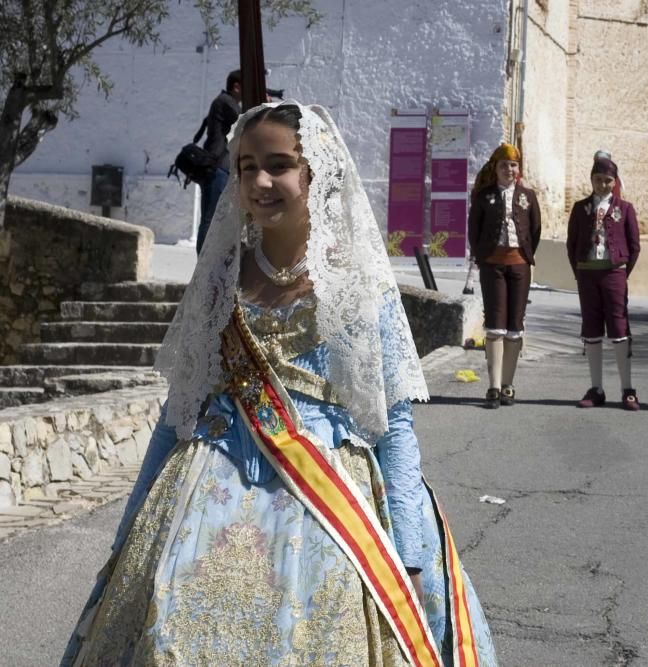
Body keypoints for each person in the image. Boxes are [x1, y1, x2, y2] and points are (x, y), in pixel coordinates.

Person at [63, 102, 498, 666]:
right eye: (246, 166)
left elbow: (394, 426)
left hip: (328, 497)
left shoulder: (357, 284)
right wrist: (125, 541)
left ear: (315, 172)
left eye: (279, 164)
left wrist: (410, 556)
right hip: (209, 483)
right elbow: (177, 416)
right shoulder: (221, 275)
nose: (260, 181)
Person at [468, 143, 542, 408]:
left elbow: (535, 230)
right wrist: (483, 256)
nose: (509, 170)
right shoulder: (483, 196)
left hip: (519, 265)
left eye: (513, 165)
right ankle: (493, 386)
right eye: (504, 165)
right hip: (492, 265)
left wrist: (525, 256)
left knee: (515, 325)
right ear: (495, 168)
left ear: (518, 169)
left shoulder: (528, 196)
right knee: (495, 323)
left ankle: (509, 385)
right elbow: (473, 230)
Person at [567, 156, 642, 410]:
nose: (603, 185)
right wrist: (580, 270)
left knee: (619, 329)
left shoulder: (626, 208)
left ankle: (627, 388)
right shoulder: (580, 208)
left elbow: (634, 246)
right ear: (591, 180)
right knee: (591, 328)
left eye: (608, 180)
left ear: (615, 182)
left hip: (614, 273)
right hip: (587, 273)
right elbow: (572, 243)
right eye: (598, 180)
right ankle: (596, 388)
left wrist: (621, 270)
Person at [196, 69, 243, 254]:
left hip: (222, 169)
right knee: (211, 217)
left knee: (216, 218)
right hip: (218, 168)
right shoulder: (225, 102)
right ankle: (202, 264)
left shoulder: (226, 102)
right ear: (237, 86)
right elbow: (245, 121)